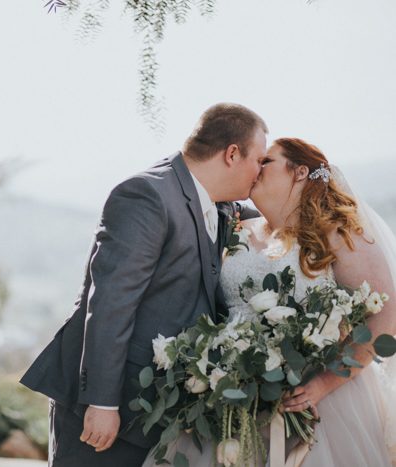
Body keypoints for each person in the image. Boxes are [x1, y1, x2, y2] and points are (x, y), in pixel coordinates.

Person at [20, 103, 268, 466]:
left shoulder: (220, 206)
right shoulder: (147, 196)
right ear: (232, 153)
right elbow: (110, 300)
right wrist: (102, 402)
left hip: (160, 412)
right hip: (111, 407)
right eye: (259, 160)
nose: (260, 173)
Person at [152, 138, 396, 466]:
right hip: (234, 395)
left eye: (266, 161)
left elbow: (385, 320)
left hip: (319, 400)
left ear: (299, 172)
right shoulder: (239, 231)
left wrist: (322, 384)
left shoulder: (337, 234)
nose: (256, 167)